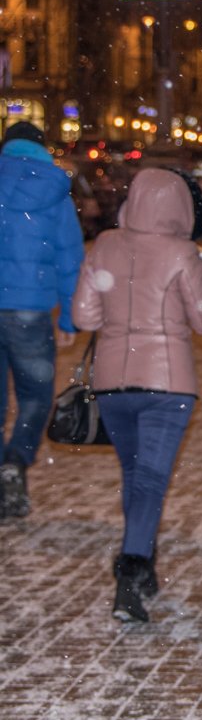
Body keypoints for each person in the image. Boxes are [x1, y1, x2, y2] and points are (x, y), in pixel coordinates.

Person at [72, 168, 202, 623]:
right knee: (150, 478)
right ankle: (131, 570)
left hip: (113, 382)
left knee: (134, 475)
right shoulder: (181, 253)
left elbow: (84, 316)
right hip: (167, 383)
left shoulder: (106, 245)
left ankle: (143, 559)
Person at [0, 121, 84, 519]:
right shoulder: (54, 193)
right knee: (35, 395)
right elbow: (70, 260)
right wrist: (69, 318)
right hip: (30, 309)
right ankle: (16, 459)